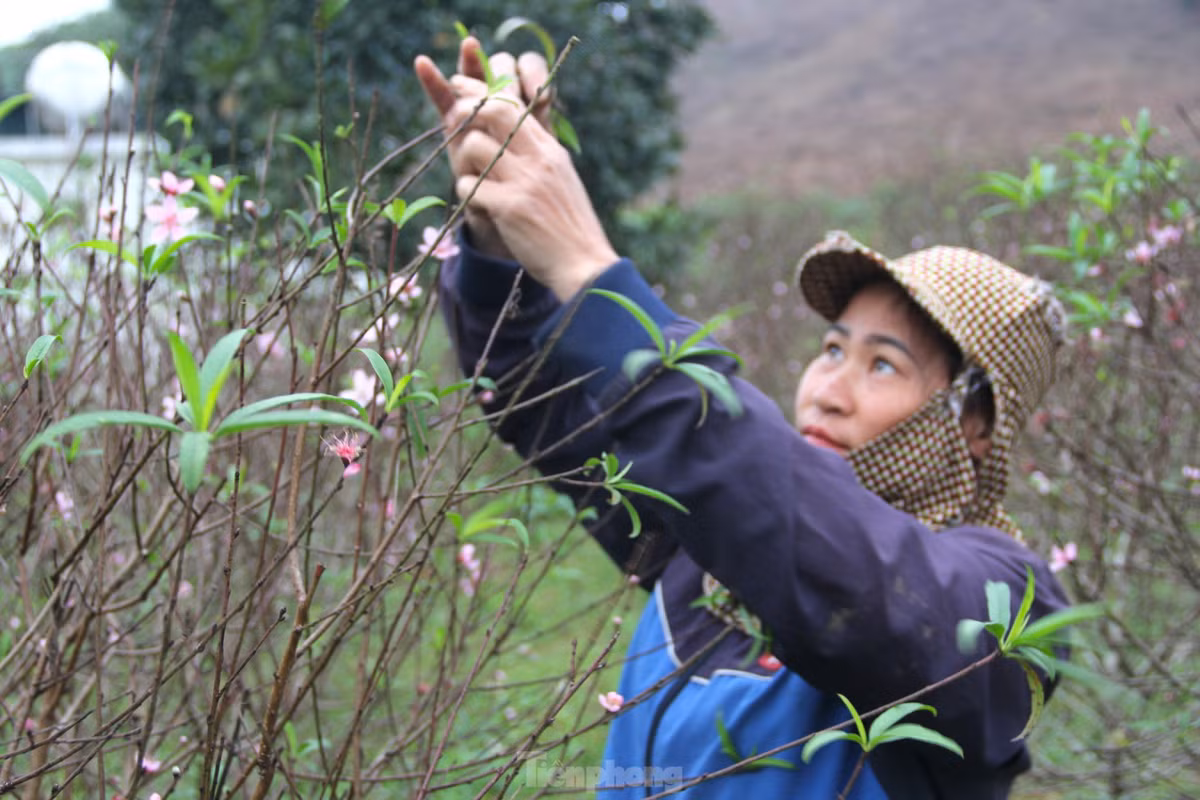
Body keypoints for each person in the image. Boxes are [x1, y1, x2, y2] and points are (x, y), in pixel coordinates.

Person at [415, 38, 1071, 799]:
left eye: (883, 363)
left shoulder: (1008, 608)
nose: (829, 389)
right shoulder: (702, 546)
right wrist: (502, 247)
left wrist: (596, 277)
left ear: (977, 425)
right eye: (832, 349)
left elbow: (851, 578)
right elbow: (542, 403)